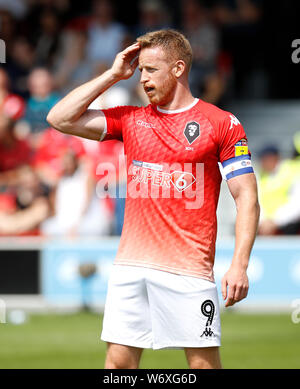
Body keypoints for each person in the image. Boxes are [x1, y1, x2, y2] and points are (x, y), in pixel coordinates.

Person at [47, 29, 260, 369]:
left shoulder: (221, 124)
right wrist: (113, 74)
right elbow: (59, 118)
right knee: (118, 366)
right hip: (131, 267)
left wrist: (239, 264)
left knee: (203, 367)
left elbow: (246, 196)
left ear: (178, 69)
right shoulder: (131, 119)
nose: (142, 78)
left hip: (188, 269)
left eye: (150, 69)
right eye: (140, 69)